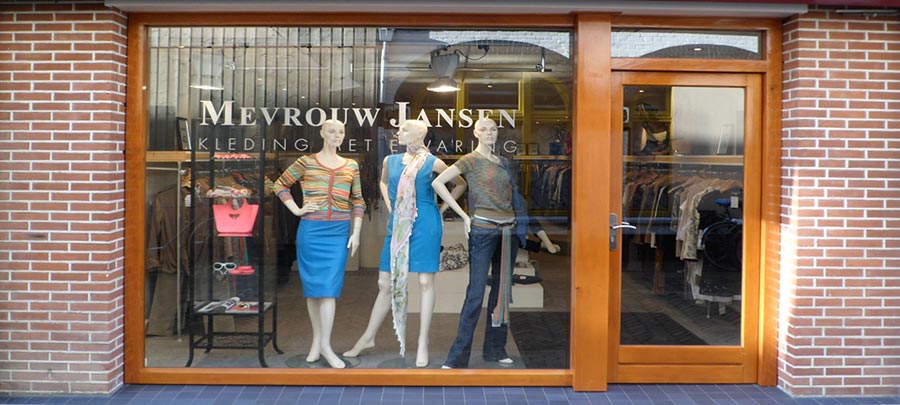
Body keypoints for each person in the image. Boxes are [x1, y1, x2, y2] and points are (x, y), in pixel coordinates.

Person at [343, 119, 466, 368]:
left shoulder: (433, 162)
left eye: (404, 129)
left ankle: (422, 341)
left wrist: (442, 209)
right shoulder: (391, 161)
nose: (398, 132)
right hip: (398, 224)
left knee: (425, 281)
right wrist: (391, 207)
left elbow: (460, 183)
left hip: (426, 224)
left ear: (420, 134)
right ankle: (368, 337)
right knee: (384, 283)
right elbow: (383, 182)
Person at [432, 117, 528, 369]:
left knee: (501, 293)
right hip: (483, 230)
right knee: (475, 293)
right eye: (483, 129)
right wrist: (463, 215)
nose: (489, 133)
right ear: (475, 133)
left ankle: (496, 349)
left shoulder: (503, 162)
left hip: (508, 232)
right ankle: (457, 356)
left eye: (493, 129)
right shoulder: (470, 160)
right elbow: (438, 182)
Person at [272, 119, 365, 369]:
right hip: (311, 231)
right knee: (313, 290)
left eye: (341, 131)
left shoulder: (351, 165)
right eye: (332, 131)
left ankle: (325, 344)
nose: (337, 135)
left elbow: (358, 200)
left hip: (338, 232)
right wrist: (296, 209)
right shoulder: (306, 162)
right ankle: (317, 341)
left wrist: (356, 232)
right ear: (322, 132)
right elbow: (279, 184)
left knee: (329, 289)